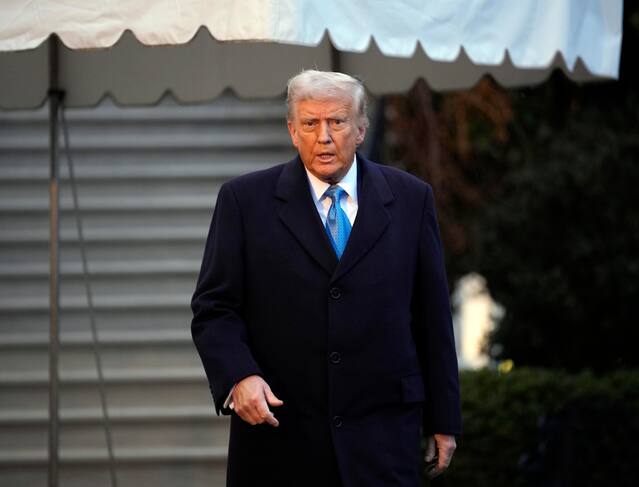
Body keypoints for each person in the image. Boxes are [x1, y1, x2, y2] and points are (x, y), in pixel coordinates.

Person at [191, 70, 461, 487]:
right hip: (281, 441)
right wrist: (239, 376)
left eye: (337, 121)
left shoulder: (412, 198)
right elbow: (214, 309)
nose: (324, 137)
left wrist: (444, 419)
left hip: (383, 440)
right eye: (310, 123)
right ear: (292, 131)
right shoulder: (243, 202)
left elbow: (433, 318)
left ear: (361, 129)